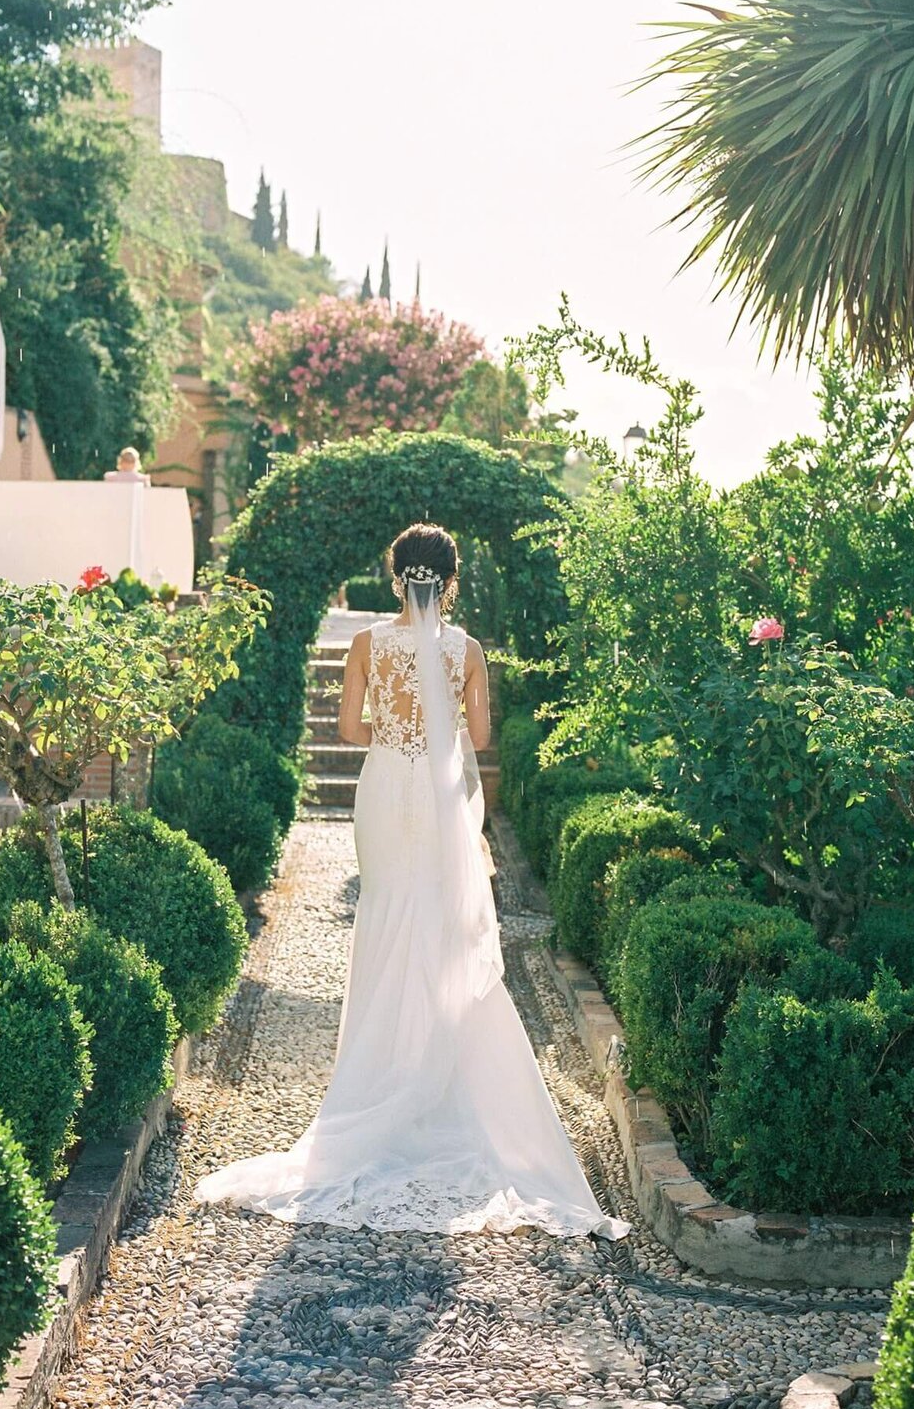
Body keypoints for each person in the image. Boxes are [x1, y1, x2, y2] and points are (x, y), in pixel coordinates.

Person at [195, 523, 630, 1239]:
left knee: (388, 914)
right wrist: (437, 732)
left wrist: (397, 737)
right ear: (450, 582)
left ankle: (379, 1078)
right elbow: (480, 740)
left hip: (385, 787)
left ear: (396, 577)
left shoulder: (368, 645)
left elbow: (347, 730)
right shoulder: (467, 651)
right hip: (434, 790)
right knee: (437, 923)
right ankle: (435, 1080)